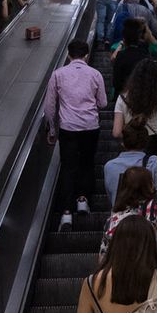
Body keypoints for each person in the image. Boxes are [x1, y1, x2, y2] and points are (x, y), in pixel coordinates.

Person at [44, 40, 107, 225]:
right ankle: (82, 200)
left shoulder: (58, 74)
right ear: (86, 55)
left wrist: (52, 130)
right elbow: (103, 103)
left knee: (68, 167)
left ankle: (66, 213)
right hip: (90, 128)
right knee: (87, 164)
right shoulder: (95, 74)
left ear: (68, 54)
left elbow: (49, 107)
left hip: (68, 128)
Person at [103, 121, 157, 230]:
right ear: (145, 142)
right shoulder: (153, 162)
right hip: (148, 227)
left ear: (123, 143)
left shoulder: (109, 167)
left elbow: (113, 199)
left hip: (119, 227)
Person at [112, 57, 157, 159]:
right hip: (152, 146)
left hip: (130, 147)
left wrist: (131, 137)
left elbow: (116, 133)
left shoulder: (123, 98)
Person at [110, 17, 157, 95]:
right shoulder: (146, 56)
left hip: (123, 95)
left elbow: (116, 83)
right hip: (141, 96)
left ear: (124, 37)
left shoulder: (121, 56)